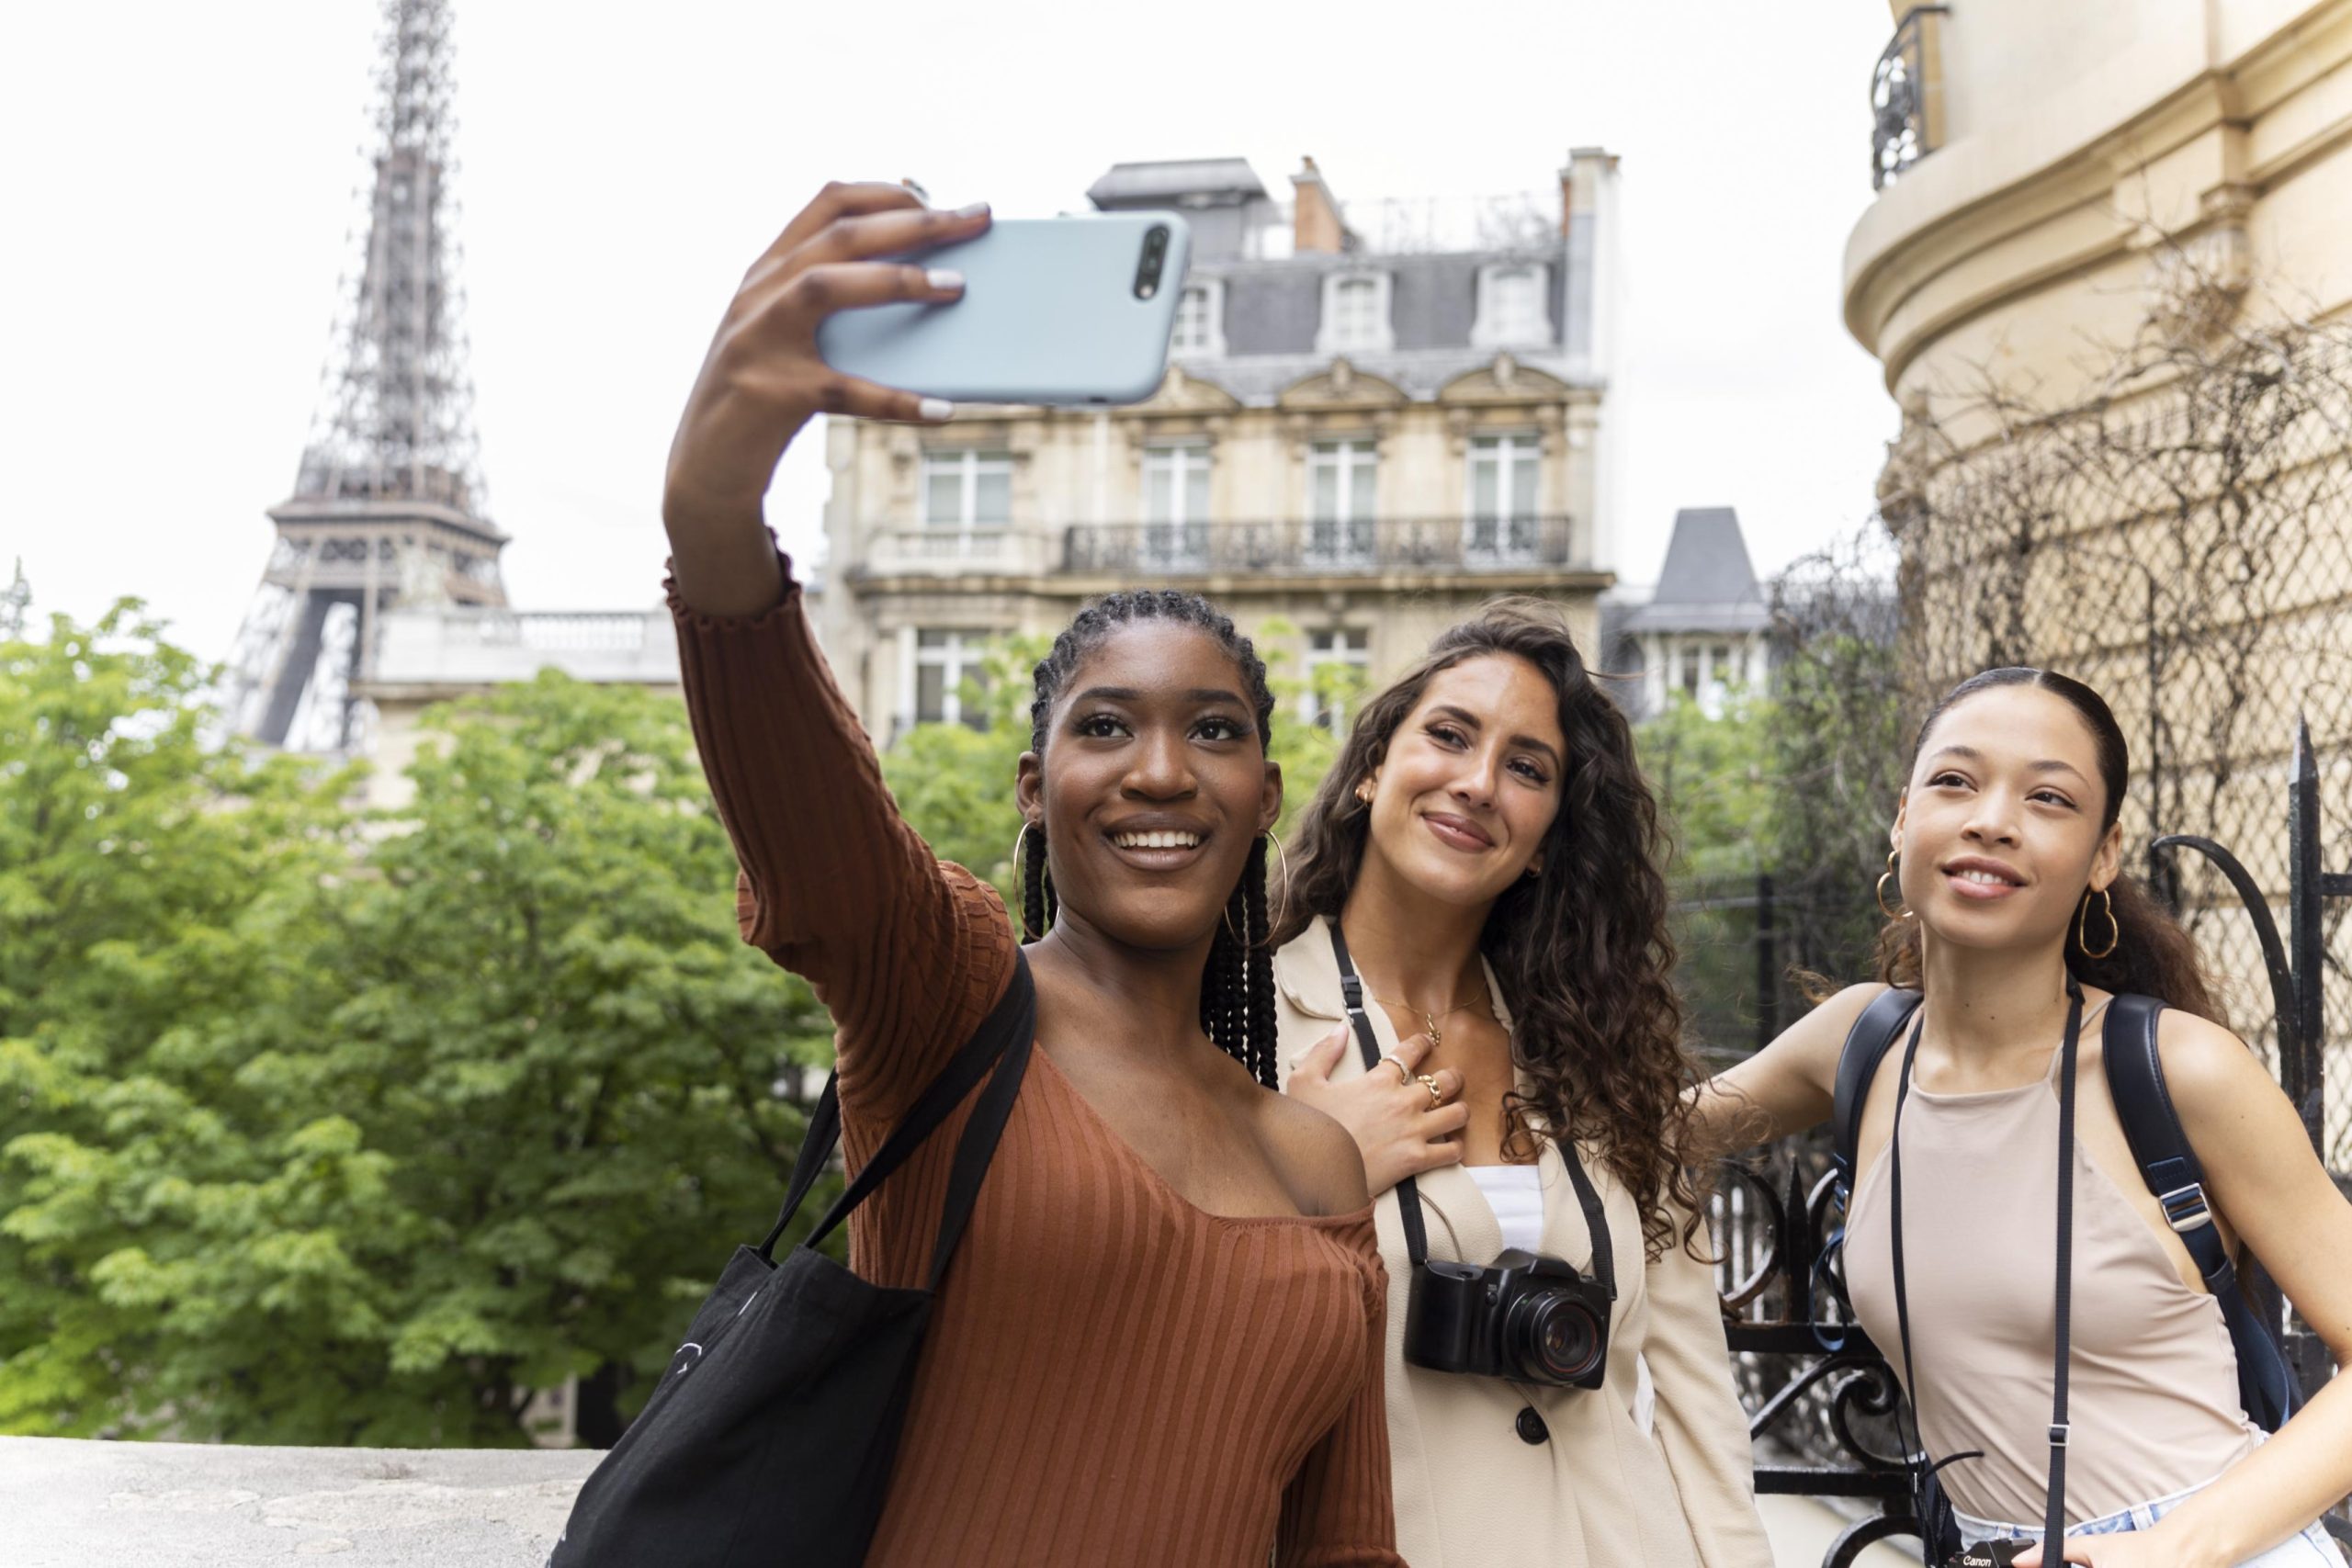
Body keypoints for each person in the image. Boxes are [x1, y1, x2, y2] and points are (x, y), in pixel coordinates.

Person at [661, 180, 1402, 1567]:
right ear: (1034, 789)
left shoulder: (1316, 1155)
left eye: (1215, 732)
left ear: (1263, 800)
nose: (1163, 770)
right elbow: (816, 837)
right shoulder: (946, 995)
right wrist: (715, 501)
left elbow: (1345, 1547)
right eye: (1106, 725)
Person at [1695, 668, 2352, 1567]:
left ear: (2102, 855)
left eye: (2047, 797)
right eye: (1955, 781)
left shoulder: (2176, 1067)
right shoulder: (1859, 1041)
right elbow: (1636, 1133)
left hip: (2211, 1548)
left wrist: (2171, 1549)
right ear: (1901, 819)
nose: (1991, 819)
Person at [1270, 599, 1773, 1567]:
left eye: (1526, 768)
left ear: (1545, 838)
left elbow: (1698, 1401)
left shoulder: (1602, 1061)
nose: (1476, 783)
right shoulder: (1247, 1020)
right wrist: (1312, 1166)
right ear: (1374, 766)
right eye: (1449, 736)